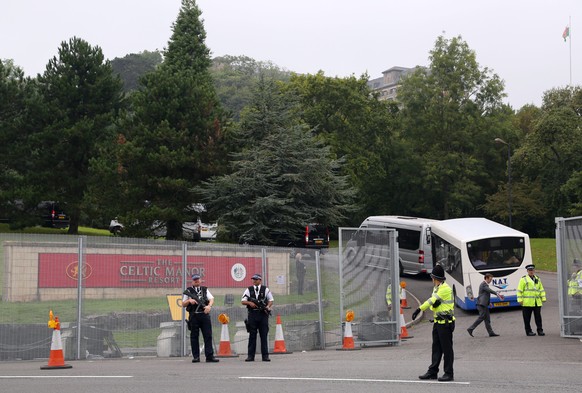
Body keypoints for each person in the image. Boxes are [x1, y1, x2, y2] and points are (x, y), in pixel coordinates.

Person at [411, 265, 455, 382]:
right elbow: (433, 305)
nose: (432, 280)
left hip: (445, 323)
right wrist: (433, 305)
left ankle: (449, 373)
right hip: (438, 322)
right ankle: (433, 371)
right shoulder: (437, 288)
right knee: (436, 348)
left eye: (432, 278)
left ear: (435, 278)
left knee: (447, 349)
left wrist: (419, 309)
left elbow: (431, 301)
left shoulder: (445, 288)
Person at [182, 274, 219, 363]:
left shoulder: (204, 289)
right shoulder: (188, 291)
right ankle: (196, 357)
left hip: (204, 315)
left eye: (198, 279)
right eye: (195, 280)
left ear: (200, 280)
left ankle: (209, 356)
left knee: (208, 335)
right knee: (194, 336)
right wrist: (189, 301)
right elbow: (183, 304)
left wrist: (209, 306)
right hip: (194, 315)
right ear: (192, 281)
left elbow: (211, 299)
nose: (196, 281)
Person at [241, 273, 274, 362]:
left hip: (263, 315)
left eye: (256, 279)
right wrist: (250, 303)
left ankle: (265, 356)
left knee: (264, 335)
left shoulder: (265, 289)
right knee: (252, 335)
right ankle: (250, 356)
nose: (254, 281)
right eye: (253, 279)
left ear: (260, 280)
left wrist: (267, 306)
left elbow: (271, 300)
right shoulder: (249, 290)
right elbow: (243, 301)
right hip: (252, 314)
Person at [467, 273, 505, 337]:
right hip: (481, 304)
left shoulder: (485, 285)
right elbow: (489, 291)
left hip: (484, 304)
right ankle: (470, 328)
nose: (491, 281)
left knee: (487, 319)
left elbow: (485, 295)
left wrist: (488, 302)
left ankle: (491, 333)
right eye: (490, 279)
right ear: (486, 278)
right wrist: (497, 294)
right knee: (482, 317)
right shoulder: (483, 285)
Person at [517, 264, 546, 336]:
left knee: (538, 318)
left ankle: (540, 330)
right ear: (527, 271)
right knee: (527, 318)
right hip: (527, 302)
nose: (531, 271)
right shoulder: (523, 279)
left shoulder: (537, 278)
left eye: (532, 270)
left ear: (534, 270)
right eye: (529, 270)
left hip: (536, 302)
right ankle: (528, 331)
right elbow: (520, 290)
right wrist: (520, 300)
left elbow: (541, 289)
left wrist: (543, 297)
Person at [567, 258, 582, 334]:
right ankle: (575, 328)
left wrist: (578, 293)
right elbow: (570, 284)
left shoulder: (581, 273)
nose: (573, 267)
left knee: (578, 311)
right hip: (573, 296)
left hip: (579, 296)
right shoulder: (574, 274)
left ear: (578, 266)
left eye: (575, 266)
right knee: (575, 311)